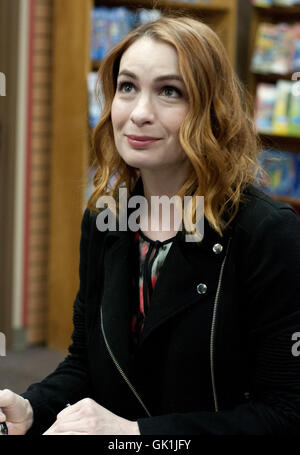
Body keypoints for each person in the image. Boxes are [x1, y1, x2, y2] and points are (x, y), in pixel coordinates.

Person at [1, 15, 300, 436]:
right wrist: (33, 408)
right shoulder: (106, 219)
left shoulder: (266, 234)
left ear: (211, 109)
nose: (139, 113)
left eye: (169, 91)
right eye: (127, 87)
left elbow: (286, 414)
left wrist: (138, 435)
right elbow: (86, 363)